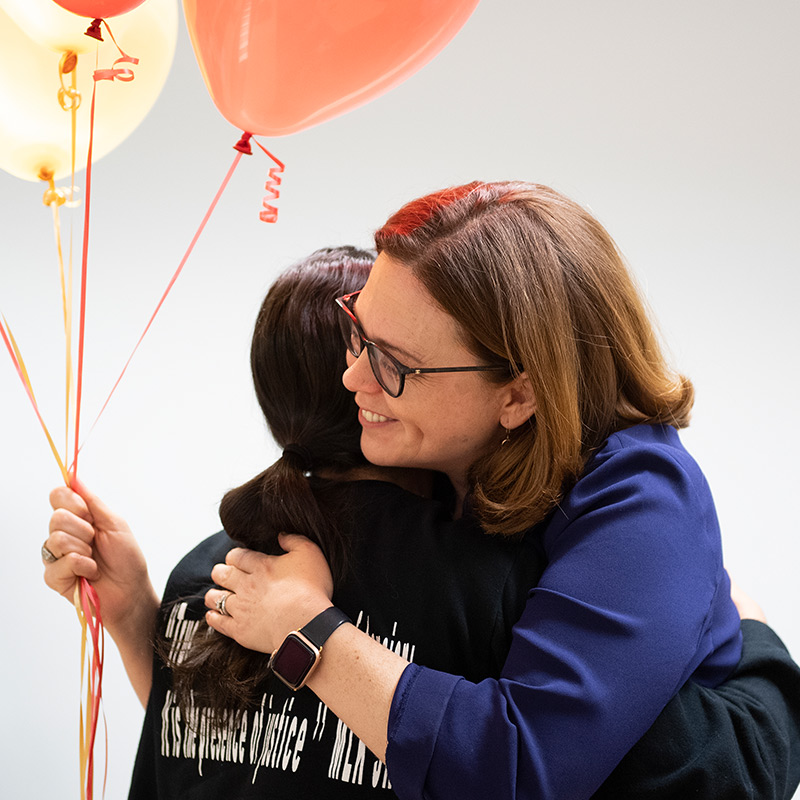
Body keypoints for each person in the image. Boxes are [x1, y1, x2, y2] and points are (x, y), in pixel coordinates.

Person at [43, 244, 800, 799]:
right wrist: (753, 642)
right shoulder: (492, 586)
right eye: (367, 341)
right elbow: (695, 777)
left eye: (391, 353)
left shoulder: (201, 577)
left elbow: (230, 760)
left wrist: (136, 617)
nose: (363, 370)